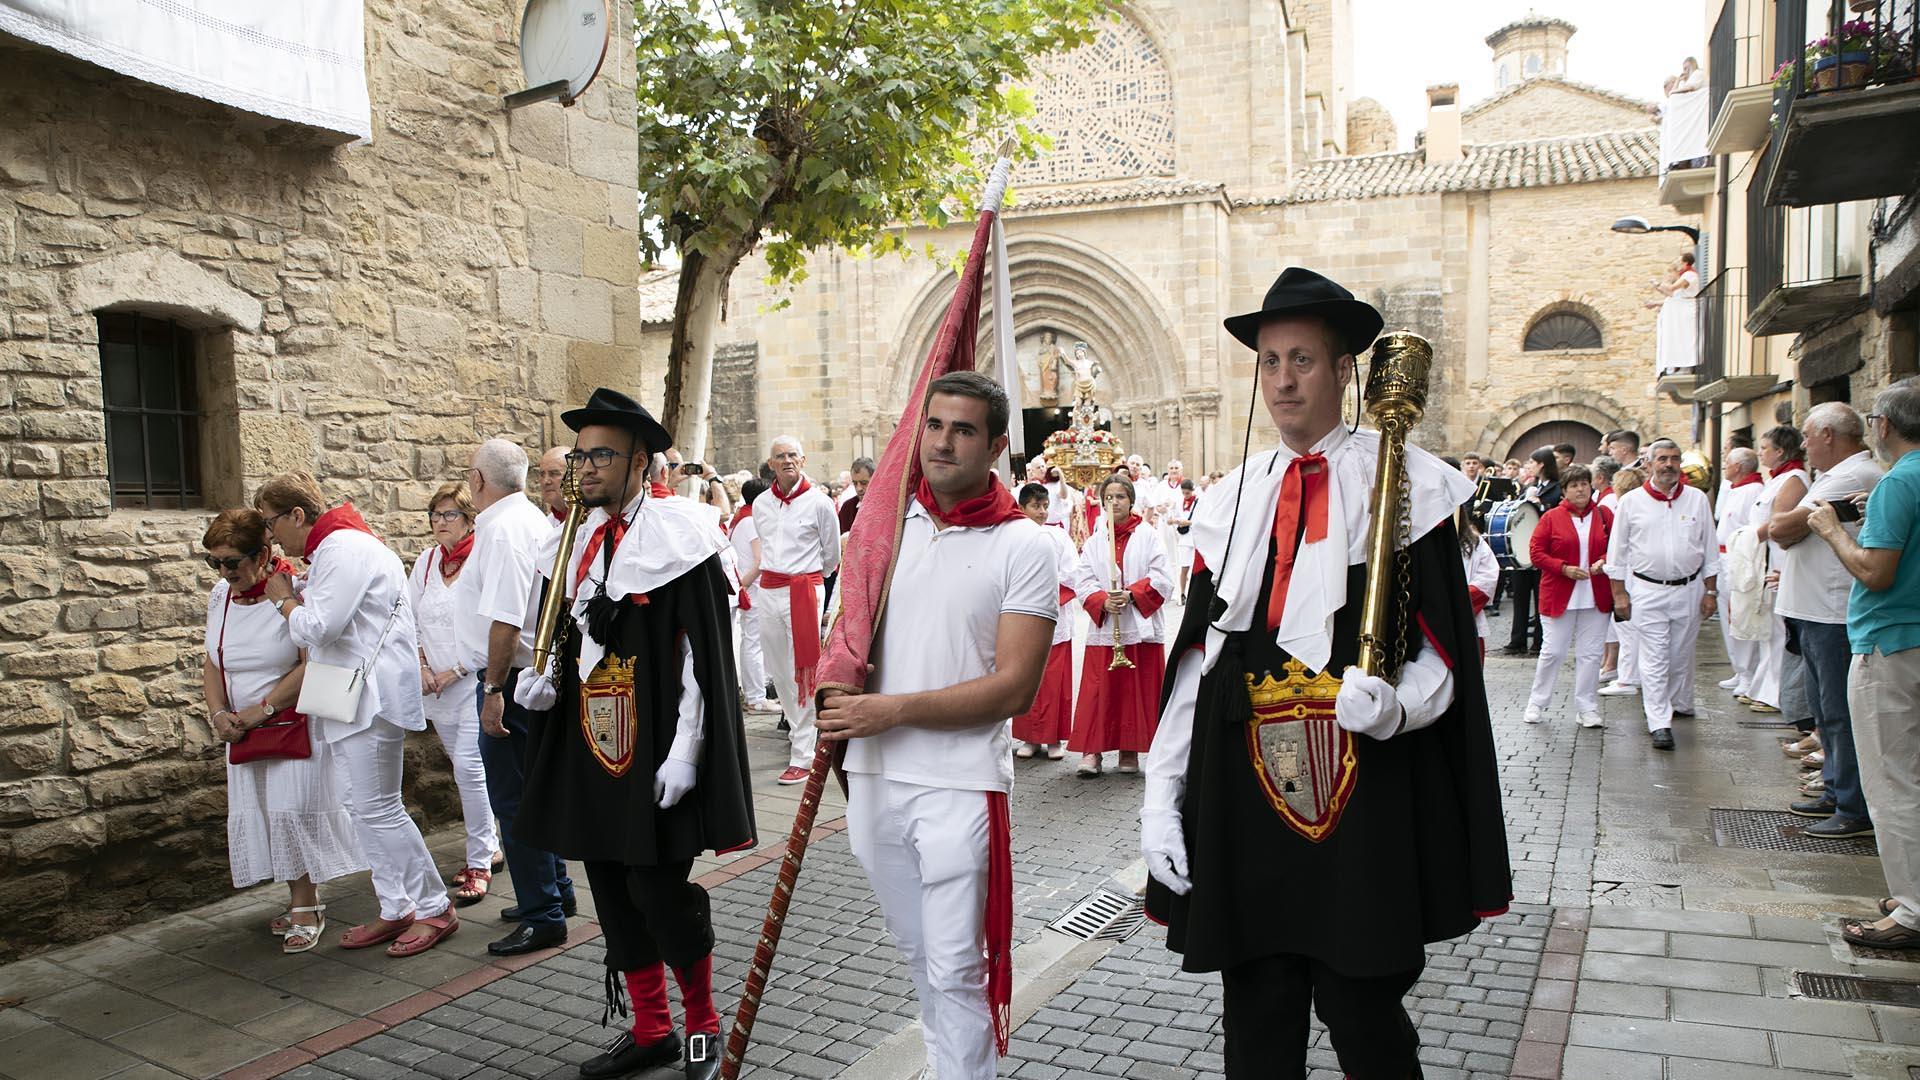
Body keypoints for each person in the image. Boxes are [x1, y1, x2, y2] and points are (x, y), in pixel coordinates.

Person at [1141, 268, 1508, 1078]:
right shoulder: (1229, 500)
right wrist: (1161, 801)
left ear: (1346, 370)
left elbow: (1444, 648)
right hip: (1245, 796)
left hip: (1362, 791)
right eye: (1269, 362)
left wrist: (1401, 708)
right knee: (1258, 1023)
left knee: (1366, 1016)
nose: (1282, 380)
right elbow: (1200, 664)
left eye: (1301, 359)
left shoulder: (1409, 484)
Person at [816, 371, 1057, 1080]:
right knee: (923, 960)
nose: (944, 442)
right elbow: (845, 639)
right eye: (935, 425)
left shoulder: (1025, 546)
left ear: (997, 446)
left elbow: (1015, 688)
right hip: (873, 776)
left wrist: (890, 711)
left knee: (958, 966)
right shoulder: (879, 530)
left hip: (959, 782)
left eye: (964, 429)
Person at [513, 388, 756, 1080]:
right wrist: (546, 680)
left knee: (660, 893)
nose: (585, 467)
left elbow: (702, 658)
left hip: (657, 747)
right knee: (611, 889)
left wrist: (687, 751)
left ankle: (703, 1024)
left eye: (601, 455)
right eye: (581, 454)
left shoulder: (684, 534)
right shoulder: (575, 538)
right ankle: (652, 1027)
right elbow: (569, 632)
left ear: (640, 462)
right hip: (592, 743)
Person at [256, 474, 457, 956]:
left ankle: (434, 906)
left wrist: (283, 597)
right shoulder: (335, 548)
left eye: (271, 523)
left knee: (379, 808)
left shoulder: (343, 547)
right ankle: (395, 905)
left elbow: (318, 627)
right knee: (360, 806)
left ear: (296, 515)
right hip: (353, 696)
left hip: (369, 700)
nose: (270, 535)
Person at [202, 509, 365, 955]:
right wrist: (219, 715)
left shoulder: (294, 593)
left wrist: (263, 708)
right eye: (214, 561)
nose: (223, 571)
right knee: (267, 814)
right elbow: (213, 662)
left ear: (263, 553)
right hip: (243, 727)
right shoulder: (220, 596)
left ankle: (306, 903)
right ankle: (299, 897)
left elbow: (311, 662)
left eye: (232, 561)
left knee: (292, 811)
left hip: (292, 720)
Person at [1804, 379, 1920, 948]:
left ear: (1884, 426)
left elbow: (1876, 571)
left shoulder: (1901, 481)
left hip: (1892, 641)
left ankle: (1911, 910)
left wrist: (1830, 530)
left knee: (1893, 781)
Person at [456, 438, 575, 955]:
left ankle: (542, 910)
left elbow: (506, 618)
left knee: (513, 798)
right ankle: (556, 892)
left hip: (511, 676)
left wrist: (492, 689)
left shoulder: (504, 528)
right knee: (533, 791)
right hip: (524, 673)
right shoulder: (525, 520)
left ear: (479, 480)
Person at [1769, 404, 1885, 838]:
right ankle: (1837, 791)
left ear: (1830, 434)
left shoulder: (1853, 476)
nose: (1803, 445)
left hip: (1831, 612)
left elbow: (1780, 527)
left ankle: (1853, 805)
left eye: (1808, 435)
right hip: (1815, 608)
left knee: (1839, 712)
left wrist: (1789, 524)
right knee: (1825, 710)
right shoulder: (1832, 478)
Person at [407, 482, 500, 905]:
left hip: (472, 682)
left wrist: (457, 670)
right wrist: (423, 664)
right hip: (435, 688)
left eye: (450, 515)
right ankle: (493, 843)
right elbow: (409, 618)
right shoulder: (427, 563)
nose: (440, 523)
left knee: (469, 769)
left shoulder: (482, 558)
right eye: (435, 515)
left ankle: (479, 860)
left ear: (469, 520)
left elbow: (491, 623)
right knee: (461, 765)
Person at [1605, 440, 1720, 751]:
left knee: (1678, 657)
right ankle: (1659, 722)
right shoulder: (1631, 503)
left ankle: (1671, 704)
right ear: (1649, 464)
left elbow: (1710, 549)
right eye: (1663, 459)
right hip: (1647, 590)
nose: (1669, 464)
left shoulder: (1696, 499)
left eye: (1674, 459)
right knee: (1654, 657)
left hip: (1689, 589)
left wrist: (1710, 591)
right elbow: (1617, 552)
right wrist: (1619, 595)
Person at [1068, 475, 1173, 778]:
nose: (1114, 502)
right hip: (1105, 630)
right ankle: (1093, 751)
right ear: (1102, 502)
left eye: (1120, 496)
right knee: (1100, 688)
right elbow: (1081, 579)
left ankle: (1130, 750)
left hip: (1139, 626)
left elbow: (1162, 576)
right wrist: (1101, 600)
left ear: (1131, 500)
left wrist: (1131, 595)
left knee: (1134, 689)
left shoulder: (1149, 535)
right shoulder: (1094, 541)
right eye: (1109, 497)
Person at [754, 436, 841, 784]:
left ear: (803, 460)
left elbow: (831, 555)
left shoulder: (820, 503)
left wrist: (808, 581)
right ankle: (799, 735)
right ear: (772, 464)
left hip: (804, 589)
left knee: (802, 672)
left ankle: (803, 754)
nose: (787, 460)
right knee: (778, 670)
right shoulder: (761, 504)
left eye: (792, 455)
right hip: (770, 590)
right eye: (780, 456)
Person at [1526, 464, 1614, 729]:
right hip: (1559, 593)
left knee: (1590, 654)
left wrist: (1603, 560)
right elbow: (1536, 553)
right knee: (1552, 651)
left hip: (1595, 594)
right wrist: (1563, 568)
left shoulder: (1603, 514)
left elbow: (1618, 546)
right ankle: (1537, 702)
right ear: (1564, 490)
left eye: (1584, 484)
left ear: (1591, 486)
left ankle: (1587, 707)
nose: (1580, 489)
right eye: (1574, 485)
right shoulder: (1551, 517)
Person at [1012, 482, 1078, 761]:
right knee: (1025, 675)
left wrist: (1048, 592)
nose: (1041, 512)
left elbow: (1072, 573)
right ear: (1022, 508)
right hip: (1022, 617)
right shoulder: (1011, 537)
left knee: (1054, 680)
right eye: (1035, 506)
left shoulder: (1059, 537)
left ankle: (1053, 739)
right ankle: (1029, 737)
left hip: (1055, 617)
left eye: (1044, 506)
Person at [1748, 426, 1810, 714]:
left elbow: (1778, 524)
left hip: (1782, 562)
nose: (1760, 453)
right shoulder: (1777, 479)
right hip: (1769, 560)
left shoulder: (1794, 479)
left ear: (1781, 451)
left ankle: (1776, 694)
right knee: (1769, 630)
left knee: (1781, 632)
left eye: (1765, 447)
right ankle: (1764, 685)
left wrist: (1744, 540)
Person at [1715, 447, 1766, 700]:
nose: (1725, 466)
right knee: (1728, 615)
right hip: (1724, 558)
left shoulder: (1754, 491)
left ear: (1739, 466)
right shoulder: (1735, 489)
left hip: (1739, 560)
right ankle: (1739, 668)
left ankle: (1749, 673)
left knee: (1741, 614)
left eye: (1728, 463)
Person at [1503, 447, 1562, 655]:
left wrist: (1540, 504)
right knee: (1520, 597)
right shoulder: (1529, 486)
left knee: (1540, 599)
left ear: (1541, 464)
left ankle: (1538, 641)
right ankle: (1517, 639)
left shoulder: (1557, 488)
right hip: (1523, 550)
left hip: (1544, 551)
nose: (1529, 466)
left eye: (1532, 462)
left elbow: (1557, 514)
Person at [728, 478, 778, 714]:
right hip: (753, 590)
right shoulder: (750, 521)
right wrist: (742, 587)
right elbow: (760, 560)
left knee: (752, 641)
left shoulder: (741, 520)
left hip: (748, 588)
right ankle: (756, 697)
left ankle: (756, 693)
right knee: (754, 642)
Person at [1599, 466, 1648, 698]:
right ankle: (1631, 674)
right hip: (1636, 572)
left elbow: (1619, 545)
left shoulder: (1626, 506)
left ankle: (1628, 677)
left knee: (1626, 627)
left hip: (1629, 572)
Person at [1647, 252, 1701, 376]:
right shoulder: (1687, 275)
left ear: (1686, 263)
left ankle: (1685, 368)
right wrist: (1657, 289)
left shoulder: (1689, 275)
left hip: (1686, 312)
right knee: (1680, 339)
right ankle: (1680, 367)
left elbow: (1672, 288)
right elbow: (1672, 296)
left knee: (1685, 339)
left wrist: (1658, 284)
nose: (1679, 264)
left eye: (1680, 262)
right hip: (1681, 312)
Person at [1172, 477, 1199, 602]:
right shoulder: (1180, 502)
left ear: (1193, 491)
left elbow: (1200, 520)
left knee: (1196, 568)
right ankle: (1182, 593)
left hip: (1195, 538)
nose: (1186, 495)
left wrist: (1187, 522)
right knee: (1184, 567)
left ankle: (1194, 594)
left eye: (1188, 493)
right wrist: (1175, 521)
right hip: (1184, 539)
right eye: (1183, 493)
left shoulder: (1199, 502)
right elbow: (1175, 518)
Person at [839, 456, 875, 535]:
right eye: (855, 483)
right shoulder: (847, 508)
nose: (859, 488)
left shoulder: (885, 507)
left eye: (864, 483)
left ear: (874, 480)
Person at [537, 446, 570, 521]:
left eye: (554, 473)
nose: (546, 481)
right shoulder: (547, 523)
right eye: (542, 474)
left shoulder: (593, 521)